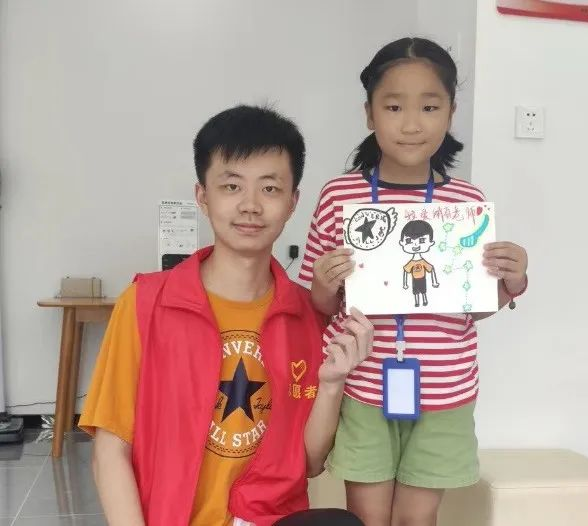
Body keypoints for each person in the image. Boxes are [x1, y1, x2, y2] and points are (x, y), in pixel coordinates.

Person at [79, 105, 372, 526]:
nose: (250, 206)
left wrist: (331, 383)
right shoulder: (145, 304)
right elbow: (110, 450)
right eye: (232, 186)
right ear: (203, 196)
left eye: (270, 189)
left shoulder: (305, 315)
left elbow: (308, 463)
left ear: (292, 202)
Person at [299, 38, 529, 526]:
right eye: (393, 106)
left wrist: (511, 282)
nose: (411, 124)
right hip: (364, 385)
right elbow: (319, 305)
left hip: (446, 390)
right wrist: (323, 281)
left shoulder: (465, 203)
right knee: (367, 517)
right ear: (369, 114)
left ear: (450, 113)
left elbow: (471, 307)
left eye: (429, 106)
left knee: (417, 520)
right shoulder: (339, 195)